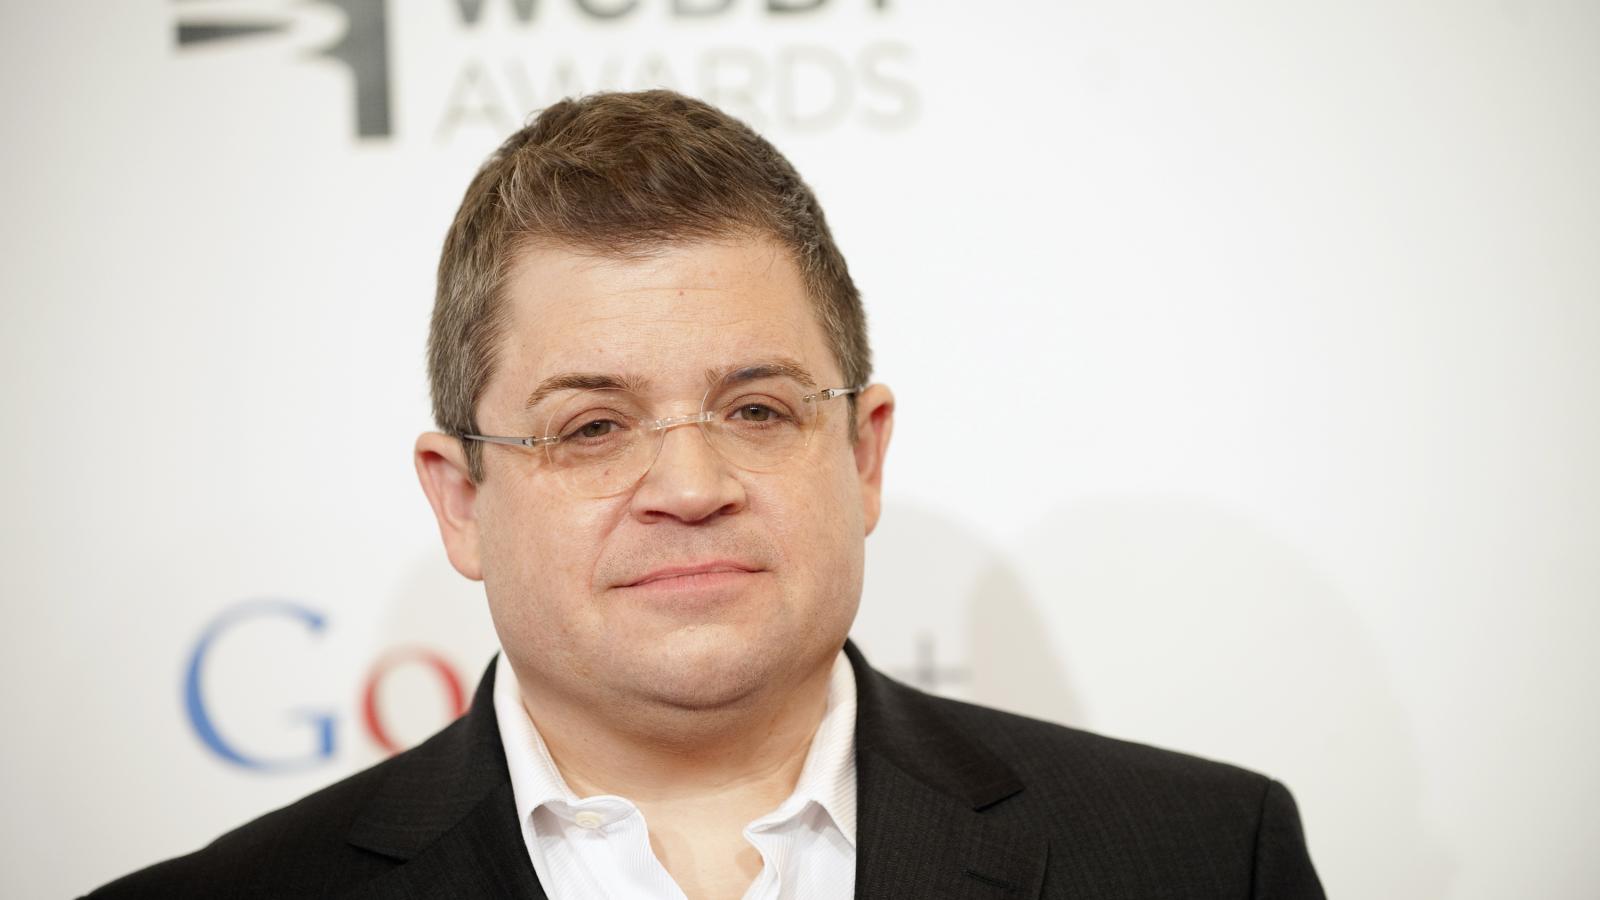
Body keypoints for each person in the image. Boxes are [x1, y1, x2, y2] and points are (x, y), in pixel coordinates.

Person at [89, 89, 1325, 899]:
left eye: (756, 410)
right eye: (590, 428)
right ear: (460, 500)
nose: (688, 486)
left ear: (863, 456)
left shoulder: (1203, 860)